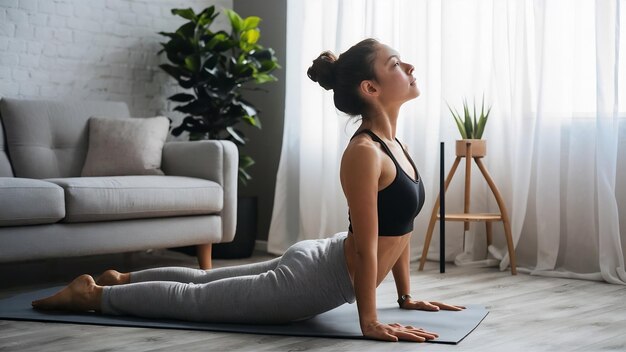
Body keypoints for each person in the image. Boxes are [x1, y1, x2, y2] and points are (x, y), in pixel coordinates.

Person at [32, 38, 464, 343]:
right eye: (395, 64)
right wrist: (368, 320)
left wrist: (405, 296)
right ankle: (93, 295)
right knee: (196, 298)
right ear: (370, 89)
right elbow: (370, 247)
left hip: (321, 258)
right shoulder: (365, 153)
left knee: (207, 282)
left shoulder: (395, 146)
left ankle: (121, 278)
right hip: (314, 280)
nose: (408, 68)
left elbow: (399, 227)